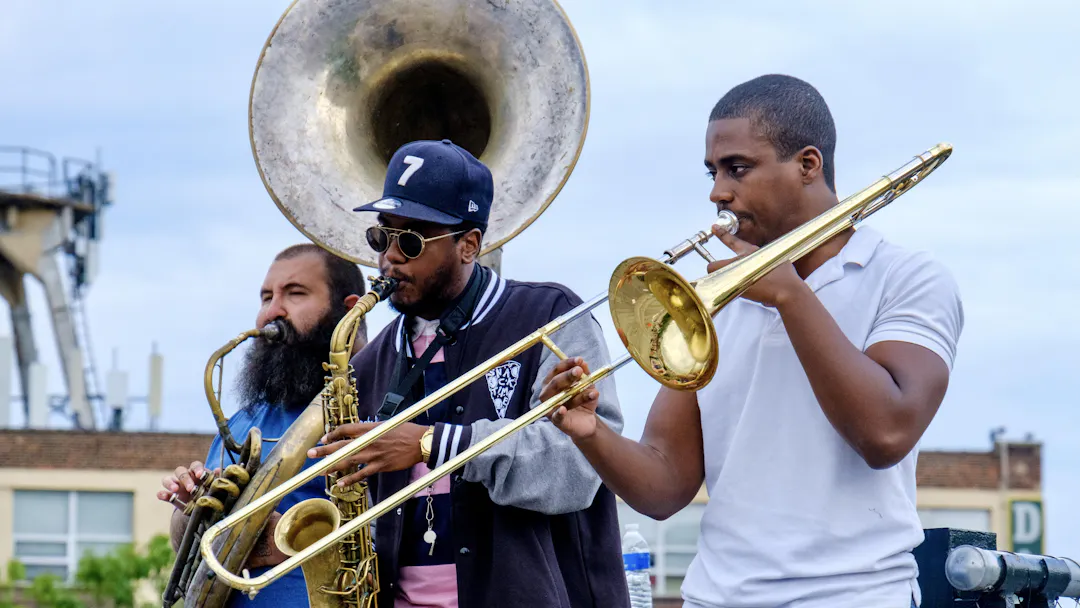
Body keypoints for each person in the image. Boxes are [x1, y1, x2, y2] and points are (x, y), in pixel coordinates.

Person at [544, 75, 964, 608]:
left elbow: (885, 433)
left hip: (855, 594)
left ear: (807, 165)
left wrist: (788, 294)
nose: (717, 191)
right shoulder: (714, 303)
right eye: (713, 171)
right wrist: (590, 432)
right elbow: (665, 485)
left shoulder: (908, 277)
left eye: (737, 168)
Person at [306, 139, 631, 608]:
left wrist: (433, 444)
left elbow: (577, 470)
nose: (390, 257)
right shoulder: (368, 363)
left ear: (469, 245)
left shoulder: (552, 318)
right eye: (382, 237)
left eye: (411, 240)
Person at [157, 243, 370, 607]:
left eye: (295, 294)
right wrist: (192, 509)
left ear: (348, 310)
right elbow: (188, 554)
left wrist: (275, 543)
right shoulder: (246, 420)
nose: (271, 312)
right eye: (266, 297)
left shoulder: (382, 406)